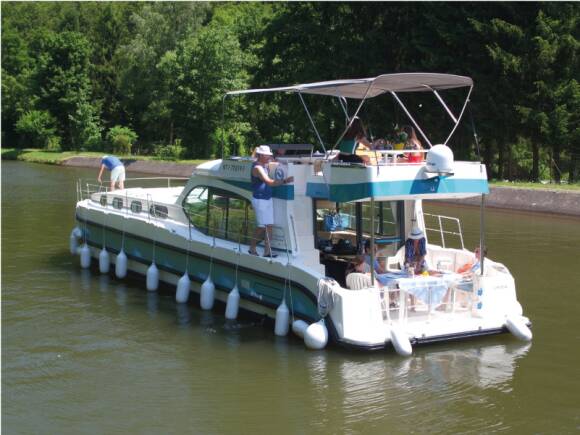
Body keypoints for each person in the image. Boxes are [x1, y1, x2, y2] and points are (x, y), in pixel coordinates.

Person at [248, 145, 294, 258]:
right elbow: (269, 182)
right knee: (262, 226)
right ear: (262, 155)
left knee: (269, 225)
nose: (269, 157)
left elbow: (273, 162)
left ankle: (267, 252)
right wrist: (284, 181)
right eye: (268, 155)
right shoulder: (257, 168)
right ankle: (251, 248)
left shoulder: (264, 165)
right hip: (260, 200)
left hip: (267, 199)